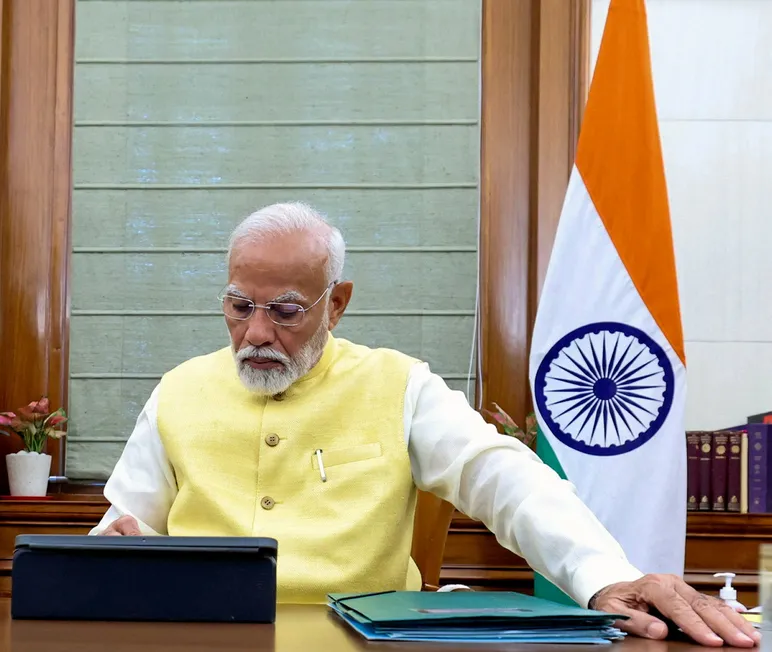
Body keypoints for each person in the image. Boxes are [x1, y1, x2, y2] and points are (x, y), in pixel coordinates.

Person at [91, 201, 758, 648]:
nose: (256, 332)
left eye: (286, 311)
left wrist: (605, 576)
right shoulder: (179, 389)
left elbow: (507, 481)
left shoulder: (398, 382)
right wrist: (111, 549)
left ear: (338, 303)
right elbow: (121, 527)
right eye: (240, 306)